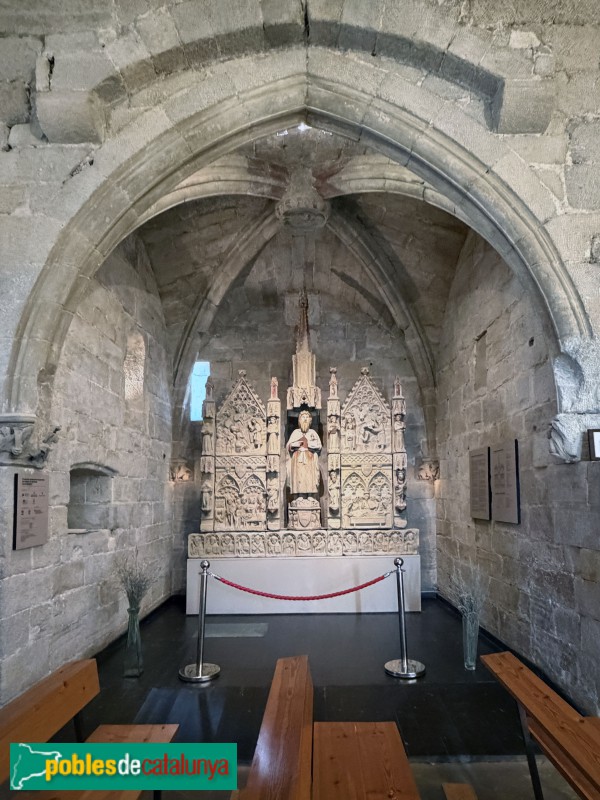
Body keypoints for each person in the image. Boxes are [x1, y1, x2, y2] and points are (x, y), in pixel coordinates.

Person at [286, 410, 322, 495]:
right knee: (299, 477)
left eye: (307, 417)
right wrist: (295, 444)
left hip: (310, 459)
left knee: (309, 477)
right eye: (303, 417)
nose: (305, 419)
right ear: (299, 420)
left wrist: (310, 444)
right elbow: (288, 446)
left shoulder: (313, 433)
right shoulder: (296, 432)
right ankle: (299, 496)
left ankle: (310, 495)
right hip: (298, 459)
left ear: (310, 420)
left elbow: (319, 446)